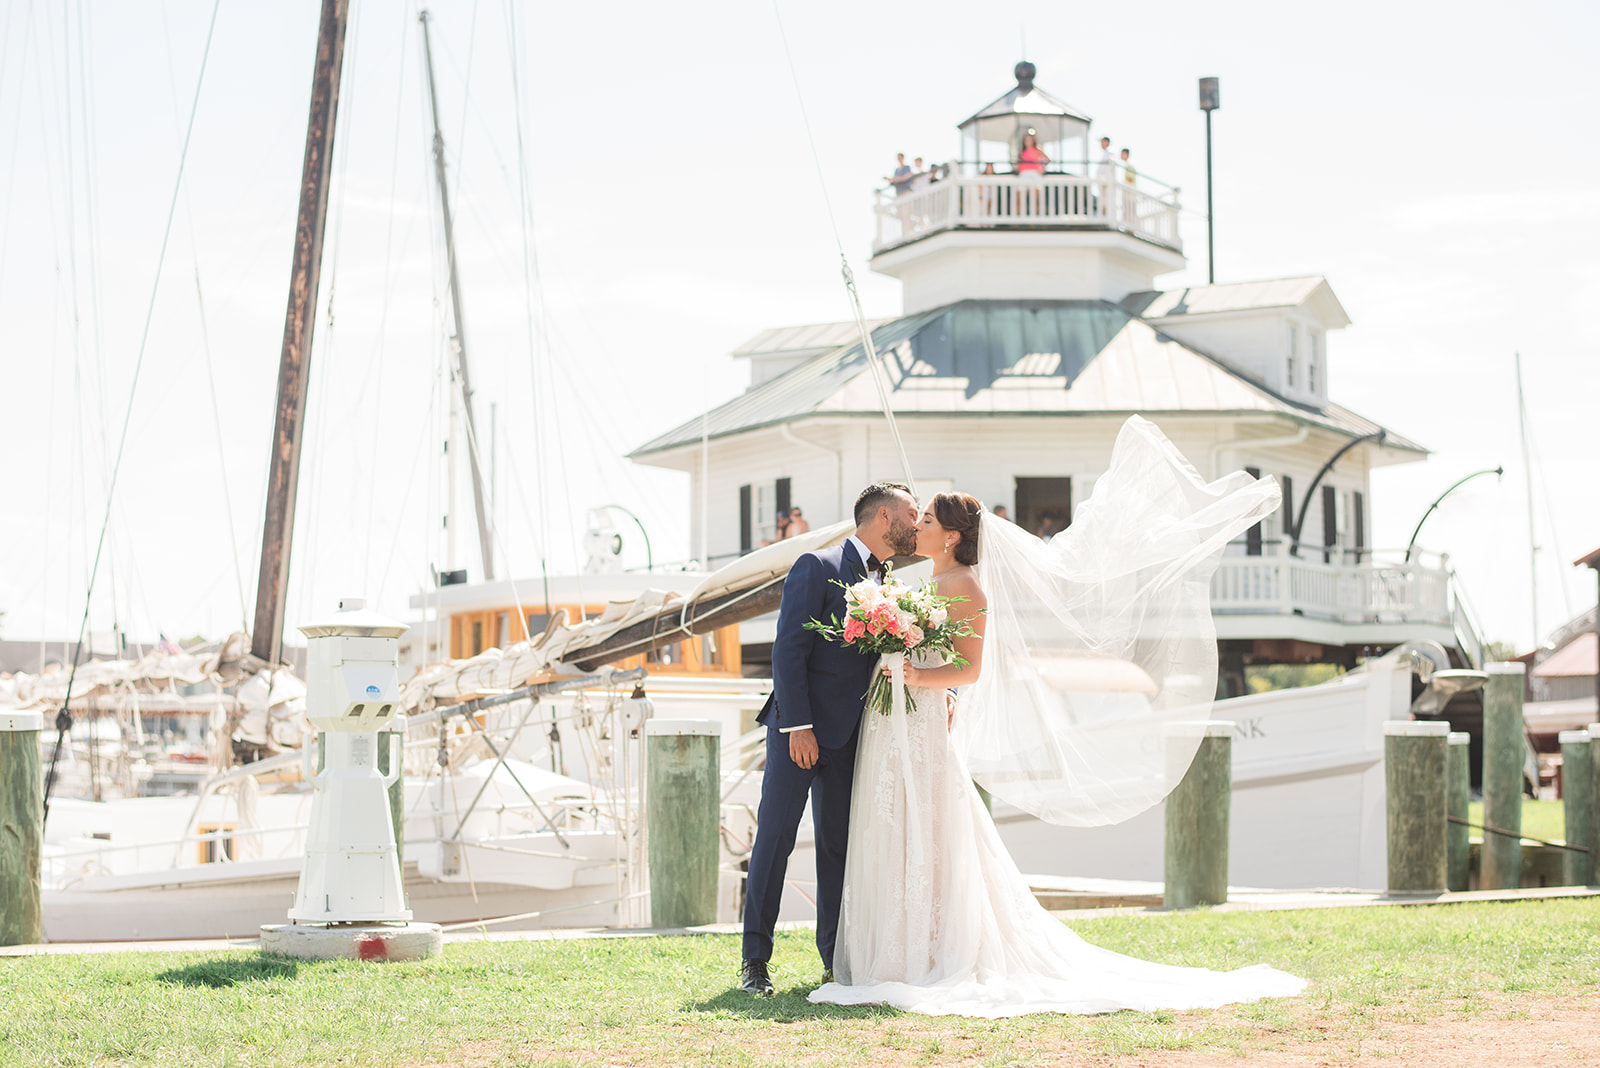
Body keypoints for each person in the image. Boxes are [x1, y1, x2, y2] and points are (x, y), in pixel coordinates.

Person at [808, 417, 1302, 1017]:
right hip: (901, 724)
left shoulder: (966, 585)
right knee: (899, 827)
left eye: (930, 521)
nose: (920, 527)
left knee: (931, 831)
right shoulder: (925, 579)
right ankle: (896, 948)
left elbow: (968, 669)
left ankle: (931, 949)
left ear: (954, 535)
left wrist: (911, 674)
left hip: (919, 717)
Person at [740, 482, 922, 996]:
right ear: (884, 517)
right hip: (799, 731)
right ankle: (756, 961)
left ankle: (834, 960)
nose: (919, 520)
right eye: (913, 513)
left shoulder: (888, 581)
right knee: (774, 841)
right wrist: (798, 725)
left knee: (839, 849)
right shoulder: (816, 566)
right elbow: (788, 650)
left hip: (851, 737)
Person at [1094, 135, 1115, 217]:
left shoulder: (1110, 153)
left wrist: (1104, 179)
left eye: (1102, 142)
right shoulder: (1106, 153)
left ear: (1107, 142)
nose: (1101, 144)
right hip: (1103, 182)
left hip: (1106, 182)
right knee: (1103, 202)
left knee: (1106, 202)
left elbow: (1108, 168)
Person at [1120, 147, 1137, 224]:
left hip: (1130, 193)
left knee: (1130, 211)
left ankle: (1130, 227)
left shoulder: (1129, 164)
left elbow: (1130, 178)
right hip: (1130, 194)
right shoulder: (1129, 164)